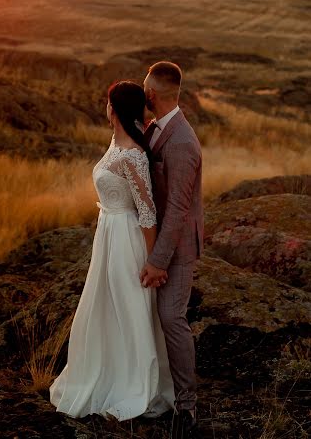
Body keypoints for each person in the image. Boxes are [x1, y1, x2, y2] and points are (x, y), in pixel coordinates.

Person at [50, 80, 174, 421]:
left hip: (125, 238)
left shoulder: (133, 153)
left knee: (127, 306)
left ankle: (134, 384)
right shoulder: (116, 143)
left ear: (113, 108)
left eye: (107, 104)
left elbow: (147, 213)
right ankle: (104, 371)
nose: (104, 109)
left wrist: (154, 262)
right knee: (105, 306)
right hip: (108, 234)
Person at [140, 61, 204, 437]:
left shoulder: (181, 141)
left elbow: (178, 209)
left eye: (145, 88)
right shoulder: (155, 128)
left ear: (154, 93)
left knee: (171, 319)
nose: (143, 93)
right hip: (158, 240)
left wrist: (157, 260)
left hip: (176, 247)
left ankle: (187, 408)